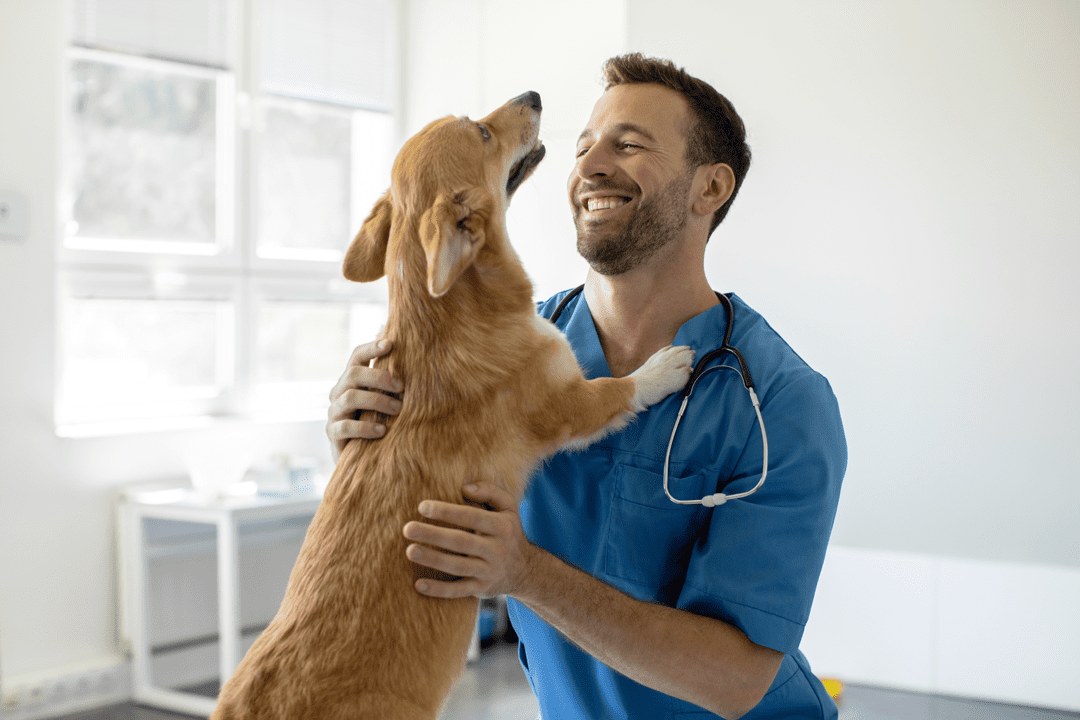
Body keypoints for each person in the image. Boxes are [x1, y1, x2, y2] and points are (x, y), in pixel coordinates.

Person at [326, 54, 847, 720]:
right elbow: (413, 532)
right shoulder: (496, 359)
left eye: (628, 145)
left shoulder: (780, 402)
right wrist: (360, 436)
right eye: (582, 148)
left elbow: (736, 679)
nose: (589, 167)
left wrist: (523, 573)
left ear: (709, 189)